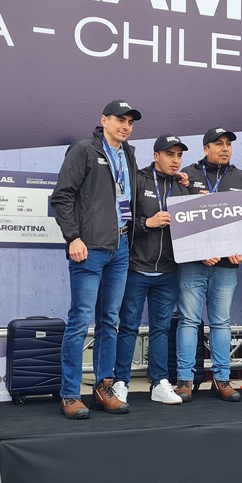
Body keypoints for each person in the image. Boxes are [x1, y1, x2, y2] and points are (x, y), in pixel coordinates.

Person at [51, 99, 140, 419]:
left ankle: (103, 389)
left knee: (109, 322)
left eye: (130, 122)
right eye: (120, 119)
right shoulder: (84, 150)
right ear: (104, 120)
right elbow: (62, 196)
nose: (125, 126)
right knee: (79, 321)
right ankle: (70, 394)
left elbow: (129, 195)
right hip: (89, 248)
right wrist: (72, 237)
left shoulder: (128, 154)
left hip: (121, 246)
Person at [175, 127, 242, 403]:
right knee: (189, 320)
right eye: (218, 143)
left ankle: (222, 380)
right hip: (193, 263)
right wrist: (200, 251)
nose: (225, 148)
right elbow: (180, 220)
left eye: (228, 144)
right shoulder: (187, 175)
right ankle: (185, 380)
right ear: (206, 148)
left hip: (226, 266)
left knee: (221, 322)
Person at [114, 135, 192, 406]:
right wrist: (147, 222)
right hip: (136, 268)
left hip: (168, 271)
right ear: (156, 155)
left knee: (161, 329)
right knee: (128, 327)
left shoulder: (182, 186)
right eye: (170, 154)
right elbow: (121, 218)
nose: (175, 160)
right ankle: (120, 382)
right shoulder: (138, 180)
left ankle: (159, 382)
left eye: (179, 155)